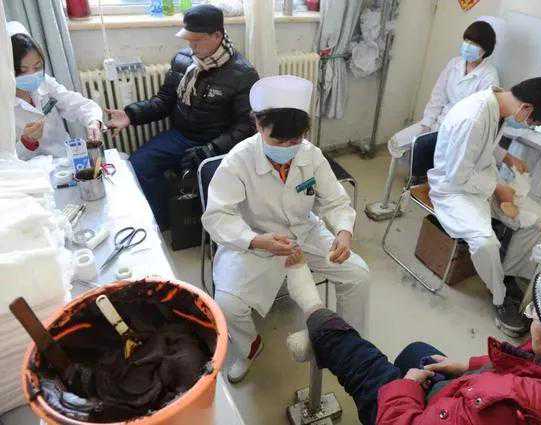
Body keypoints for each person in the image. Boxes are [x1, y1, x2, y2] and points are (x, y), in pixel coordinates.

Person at [289, 223, 541, 425]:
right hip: (479, 393)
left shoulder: (507, 411)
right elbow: (532, 366)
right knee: (417, 353)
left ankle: (316, 316)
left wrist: (406, 390)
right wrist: (470, 367)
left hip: (456, 410)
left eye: (539, 315)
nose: (531, 314)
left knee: (368, 369)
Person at [202, 75, 370, 384]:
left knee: (358, 274)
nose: (288, 148)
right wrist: (255, 240)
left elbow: (335, 201)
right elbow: (217, 216)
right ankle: (249, 347)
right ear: (258, 125)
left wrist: (343, 232)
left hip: (305, 233)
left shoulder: (310, 155)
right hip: (255, 240)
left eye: (295, 141)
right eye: (278, 141)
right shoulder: (238, 161)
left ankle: (345, 341)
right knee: (228, 304)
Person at [427, 78, 541, 336]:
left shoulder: (498, 107)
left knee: (538, 217)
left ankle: (507, 274)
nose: (529, 125)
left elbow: (483, 146)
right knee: (485, 243)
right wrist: (497, 188)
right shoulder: (474, 117)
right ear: (526, 108)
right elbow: (457, 176)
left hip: (481, 181)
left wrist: (507, 157)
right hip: (454, 191)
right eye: (533, 122)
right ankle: (500, 297)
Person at [106, 5, 259, 230]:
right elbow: (164, 100)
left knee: (213, 183)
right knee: (139, 165)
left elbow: (246, 126)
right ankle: (165, 223)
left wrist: (210, 149)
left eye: (197, 40)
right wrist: (131, 115)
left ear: (217, 35)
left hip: (218, 143)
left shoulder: (243, 73)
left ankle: (214, 233)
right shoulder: (183, 60)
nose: (191, 46)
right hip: (182, 136)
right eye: (189, 40)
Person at [387, 20, 499, 160]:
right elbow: (438, 96)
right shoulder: (454, 63)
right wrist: (427, 123)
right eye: (467, 41)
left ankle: (422, 169)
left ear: (486, 49)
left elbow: (480, 115)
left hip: (458, 132)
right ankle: (416, 169)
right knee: (396, 142)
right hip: (438, 121)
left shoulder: (489, 76)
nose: (468, 46)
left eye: (474, 44)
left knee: (430, 155)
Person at [9, 22, 103, 160]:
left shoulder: (44, 82)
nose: (33, 75)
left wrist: (93, 121)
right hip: (28, 169)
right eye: (23, 71)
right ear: (9, 70)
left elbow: (77, 103)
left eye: (37, 67)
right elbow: (4, 160)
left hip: (62, 159)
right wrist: (26, 142)